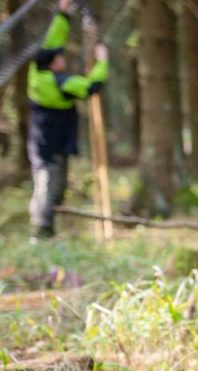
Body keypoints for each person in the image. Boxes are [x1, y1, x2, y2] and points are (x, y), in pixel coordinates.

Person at [27, 0, 108, 239]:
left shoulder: (37, 71)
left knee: (52, 187)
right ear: (53, 64)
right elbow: (91, 86)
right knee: (49, 186)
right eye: (60, 58)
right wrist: (102, 61)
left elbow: (53, 41)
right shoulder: (59, 83)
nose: (63, 58)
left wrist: (62, 13)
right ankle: (41, 232)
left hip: (43, 142)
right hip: (51, 144)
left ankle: (44, 229)